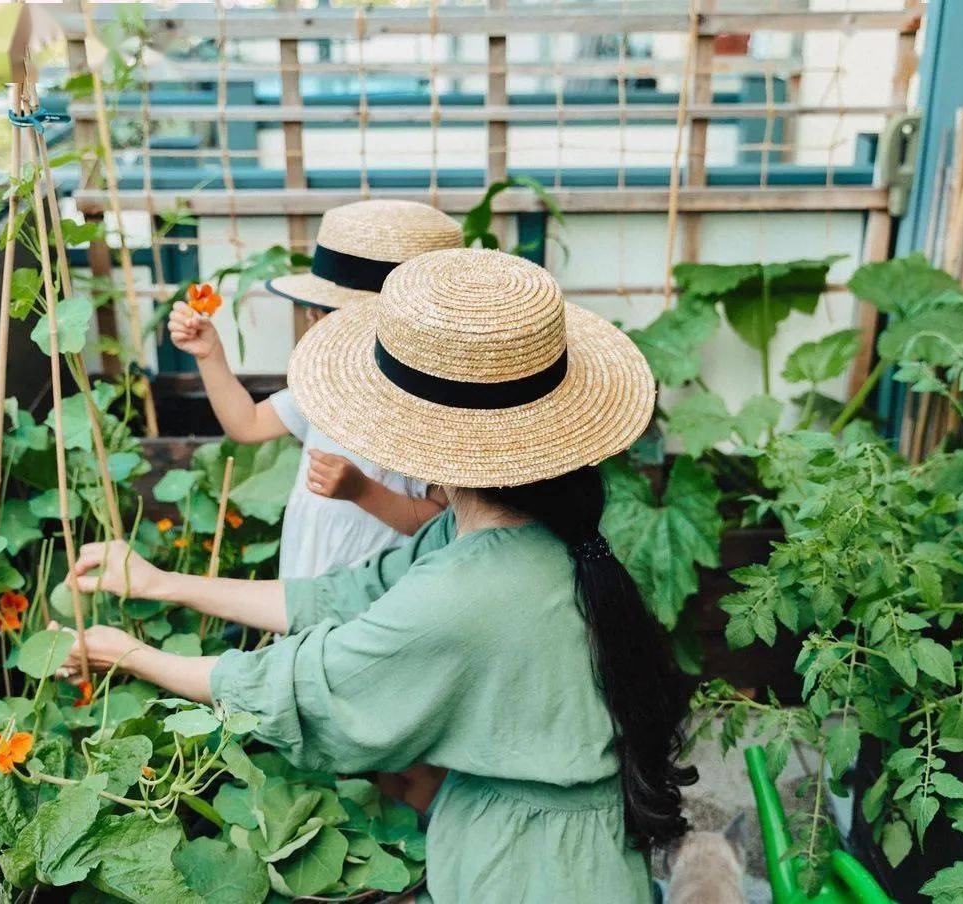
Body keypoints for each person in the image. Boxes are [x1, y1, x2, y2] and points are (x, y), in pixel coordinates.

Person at [62, 248, 696, 903]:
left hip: (531, 877)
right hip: (577, 859)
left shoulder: (464, 593)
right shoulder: (511, 534)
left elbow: (305, 689)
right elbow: (339, 597)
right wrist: (158, 580)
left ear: (430, 447)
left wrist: (130, 654)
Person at [167, 199, 463, 580]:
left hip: (371, 596)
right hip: (306, 582)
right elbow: (247, 425)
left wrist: (362, 491)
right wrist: (210, 356)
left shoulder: (435, 413)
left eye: (325, 311)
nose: (310, 319)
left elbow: (437, 523)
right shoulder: (328, 389)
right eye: (313, 310)